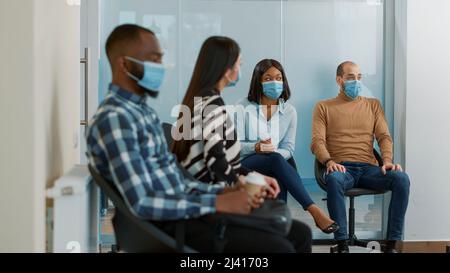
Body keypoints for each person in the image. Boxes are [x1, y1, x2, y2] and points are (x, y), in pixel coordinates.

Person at [86, 24, 312, 253]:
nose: (161, 68)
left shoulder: (142, 113)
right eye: (153, 60)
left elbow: (178, 181)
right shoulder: (116, 119)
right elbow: (142, 202)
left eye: (161, 60)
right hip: (175, 225)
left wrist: (224, 193)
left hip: (189, 211)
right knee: (281, 247)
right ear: (123, 64)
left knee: (300, 234)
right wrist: (217, 202)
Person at [311, 61, 410, 253]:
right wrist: (329, 162)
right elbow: (317, 141)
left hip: (368, 169)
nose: (356, 81)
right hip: (341, 168)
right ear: (339, 80)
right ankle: (342, 244)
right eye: (350, 77)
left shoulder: (373, 105)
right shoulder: (323, 107)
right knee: (333, 179)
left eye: (359, 77)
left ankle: (391, 245)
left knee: (401, 179)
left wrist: (388, 161)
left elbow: (384, 137)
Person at [235, 59, 339, 234]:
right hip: (245, 164)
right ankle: (313, 210)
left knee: (278, 162)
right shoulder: (242, 106)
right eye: (268, 78)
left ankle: (278, 226)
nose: (274, 82)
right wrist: (257, 148)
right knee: (278, 161)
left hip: (275, 162)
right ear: (258, 81)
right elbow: (234, 146)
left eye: (278, 78)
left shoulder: (289, 111)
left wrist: (271, 153)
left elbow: (288, 148)